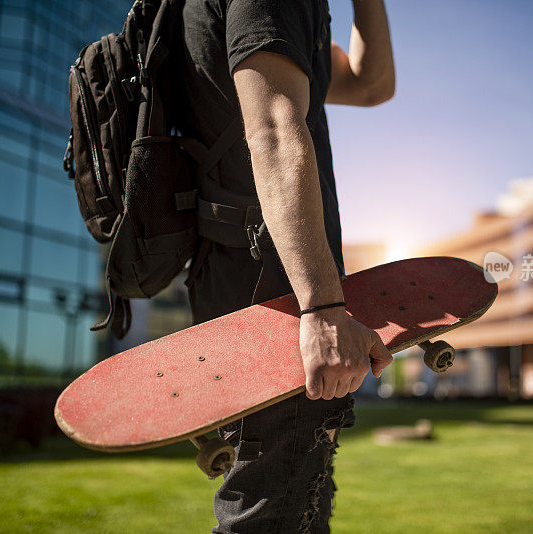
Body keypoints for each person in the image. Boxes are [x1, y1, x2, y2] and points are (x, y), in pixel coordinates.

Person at [179, 0, 395, 531]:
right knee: (276, 515)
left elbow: (370, 84)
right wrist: (321, 306)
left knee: (291, 502)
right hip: (278, 299)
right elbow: (274, 125)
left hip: (243, 288)